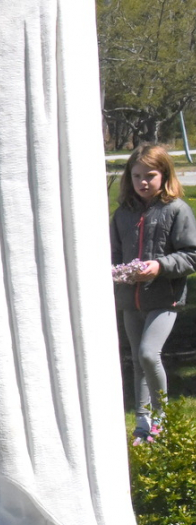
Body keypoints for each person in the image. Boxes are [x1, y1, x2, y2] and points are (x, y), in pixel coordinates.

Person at [110, 143, 196, 444]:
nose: (143, 182)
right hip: (130, 301)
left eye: (150, 175)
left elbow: (191, 255)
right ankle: (142, 427)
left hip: (164, 299)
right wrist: (118, 272)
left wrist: (159, 266)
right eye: (136, 176)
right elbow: (114, 255)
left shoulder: (176, 210)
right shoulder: (123, 214)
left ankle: (161, 419)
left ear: (164, 175)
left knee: (149, 353)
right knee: (137, 360)